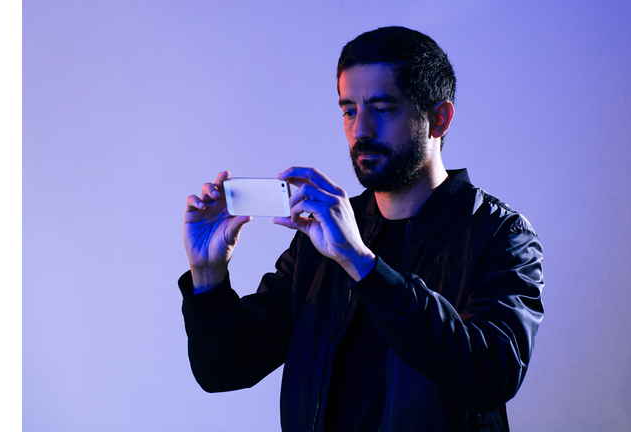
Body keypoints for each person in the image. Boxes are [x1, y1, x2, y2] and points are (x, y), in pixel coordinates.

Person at [179, 26, 544, 432]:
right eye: (349, 110)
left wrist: (362, 263)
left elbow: (488, 378)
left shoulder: (502, 235)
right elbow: (226, 370)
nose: (360, 130)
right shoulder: (323, 235)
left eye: (382, 108)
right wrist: (208, 277)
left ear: (438, 119)